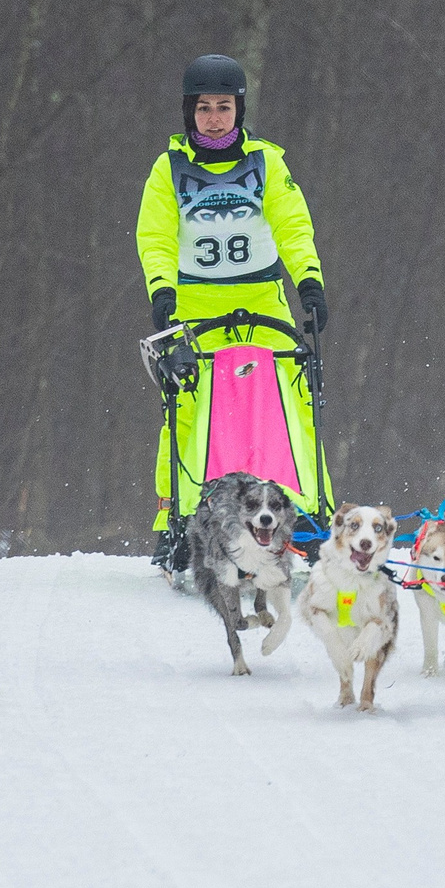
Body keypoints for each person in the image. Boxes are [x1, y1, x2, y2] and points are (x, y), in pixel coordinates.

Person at [134, 53, 329, 570]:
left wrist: (309, 282)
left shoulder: (267, 161)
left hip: (262, 299)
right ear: (188, 113)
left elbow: (292, 226)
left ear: (239, 110)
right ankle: (173, 521)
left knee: (294, 397)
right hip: (196, 306)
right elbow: (155, 236)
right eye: (204, 108)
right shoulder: (168, 168)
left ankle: (308, 510)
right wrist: (162, 291)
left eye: (223, 107)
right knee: (185, 409)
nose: (214, 118)